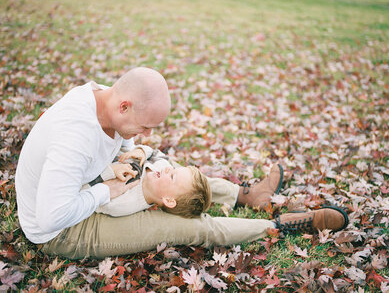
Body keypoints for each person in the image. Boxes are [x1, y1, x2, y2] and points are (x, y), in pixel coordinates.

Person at [15, 67, 348, 259]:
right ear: (125, 106)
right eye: (144, 126)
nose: (145, 134)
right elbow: (50, 217)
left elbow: (126, 141)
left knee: (175, 176)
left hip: (88, 187)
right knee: (186, 226)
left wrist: (134, 155)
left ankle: (248, 196)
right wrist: (105, 191)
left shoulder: (104, 98)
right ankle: (278, 226)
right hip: (63, 229)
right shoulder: (75, 137)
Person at [84, 146, 212, 218]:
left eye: (173, 176)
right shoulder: (162, 166)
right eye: (174, 169)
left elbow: (87, 194)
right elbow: (156, 153)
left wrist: (109, 171)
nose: (168, 168)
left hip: (84, 168)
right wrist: (142, 151)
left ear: (168, 200)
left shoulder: (125, 203)